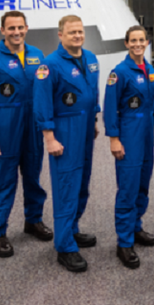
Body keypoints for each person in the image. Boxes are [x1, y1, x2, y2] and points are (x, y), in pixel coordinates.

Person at [0, 11, 52, 258]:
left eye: (20, 27)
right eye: (11, 28)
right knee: (4, 180)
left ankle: (33, 220)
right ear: (2, 31)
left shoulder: (37, 55)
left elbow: (45, 91)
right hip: (5, 126)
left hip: (33, 125)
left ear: (26, 28)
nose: (16, 32)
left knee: (33, 177)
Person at [33, 15, 101, 272]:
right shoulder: (49, 65)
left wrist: (94, 120)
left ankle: (71, 229)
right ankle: (64, 247)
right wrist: (49, 138)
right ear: (60, 35)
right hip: (64, 129)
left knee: (82, 183)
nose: (77, 36)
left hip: (85, 127)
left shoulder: (91, 59)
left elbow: (93, 93)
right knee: (66, 186)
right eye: (72, 32)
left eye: (80, 31)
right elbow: (42, 103)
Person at [103, 26, 154, 269]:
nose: (138, 44)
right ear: (127, 44)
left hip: (146, 132)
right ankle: (124, 243)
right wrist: (114, 138)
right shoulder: (119, 73)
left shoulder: (149, 69)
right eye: (133, 40)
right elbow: (109, 108)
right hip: (129, 133)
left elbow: (150, 102)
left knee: (142, 184)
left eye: (141, 40)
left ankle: (136, 228)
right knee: (128, 187)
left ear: (147, 42)